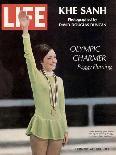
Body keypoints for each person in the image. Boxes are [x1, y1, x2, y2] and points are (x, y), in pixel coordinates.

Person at [18, 11, 68, 155]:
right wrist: (25, 30)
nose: (54, 61)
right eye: (49, 58)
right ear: (41, 61)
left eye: (55, 57)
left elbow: (62, 107)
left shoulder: (59, 80)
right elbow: (28, 54)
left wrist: (65, 129)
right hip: (41, 126)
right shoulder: (36, 75)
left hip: (58, 127)